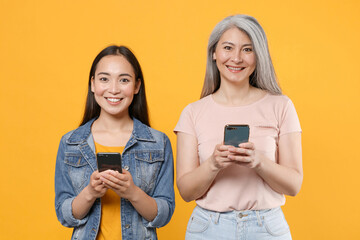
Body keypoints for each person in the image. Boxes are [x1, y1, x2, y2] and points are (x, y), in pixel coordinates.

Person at [174, 15, 302, 239]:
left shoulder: (281, 106)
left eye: (247, 49)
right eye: (228, 48)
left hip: (266, 227)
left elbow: (294, 185)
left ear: (258, 55)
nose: (236, 58)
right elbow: (185, 191)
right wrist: (213, 164)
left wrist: (259, 162)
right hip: (208, 228)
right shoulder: (192, 113)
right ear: (214, 53)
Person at [55, 45, 175, 240]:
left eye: (124, 80)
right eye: (104, 79)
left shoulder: (158, 142)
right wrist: (90, 192)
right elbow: (65, 215)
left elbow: (164, 214)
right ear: (92, 84)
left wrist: (132, 192)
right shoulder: (70, 143)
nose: (113, 89)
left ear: (136, 86)